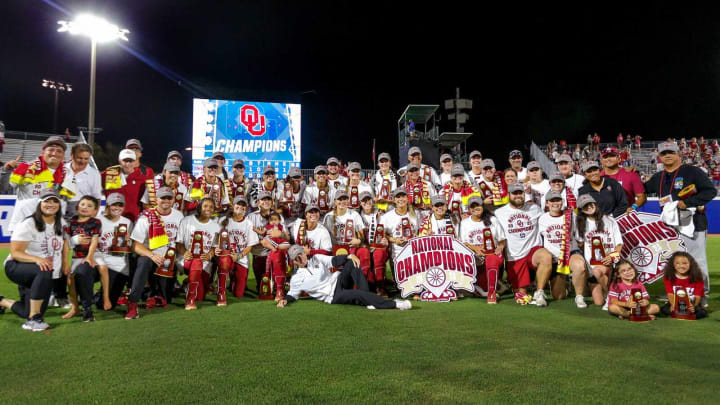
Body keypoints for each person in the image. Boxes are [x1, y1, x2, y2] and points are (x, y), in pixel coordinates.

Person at [644, 141, 715, 307]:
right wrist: (630, 176)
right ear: (659, 157)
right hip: (670, 224)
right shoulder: (658, 177)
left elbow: (710, 191)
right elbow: (641, 189)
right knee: (673, 260)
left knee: (696, 259)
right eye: (663, 153)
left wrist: (689, 202)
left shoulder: (692, 171)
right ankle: (676, 291)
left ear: (678, 154)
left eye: (671, 152)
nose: (667, 155)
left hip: (692, 221)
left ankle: (701, 294)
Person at [0, 189, 67, 331]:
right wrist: (37, 259)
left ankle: (2, 301)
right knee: (45, 269)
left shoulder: (60, 223)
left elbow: (65, 245)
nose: (51, 204)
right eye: (47, 201)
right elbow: (16, 252)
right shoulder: (28, 223)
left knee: (26, 310)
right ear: (39, 203)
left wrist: (65, 266)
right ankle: (33, 320)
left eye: (55, 201)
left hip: (41, 271)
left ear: (59, 205)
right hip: (17, 266)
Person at [277, 246, 412, 310]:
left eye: (302, 254)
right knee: (358, 294)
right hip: (333, 295)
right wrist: (285, 300)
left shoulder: (316, 258)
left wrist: (348, 256)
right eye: (297, 258)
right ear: (294, 261)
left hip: (338, 280)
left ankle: (369, 300)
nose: (302, 258)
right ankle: (395, 304)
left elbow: (334, 260)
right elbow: (292, 294)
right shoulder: (296, 279)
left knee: (351, 263)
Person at [126, 187, 184, 319]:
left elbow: (182, 241)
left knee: (166, 298)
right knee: (143, 261)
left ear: (173, 200)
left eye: (169, 198)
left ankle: (160, 292)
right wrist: (152, 255)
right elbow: (135, 245)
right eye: (163, 198)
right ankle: (133, 303)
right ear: (156, 199)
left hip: (170, 260)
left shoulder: (179, 215)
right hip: (152, 258)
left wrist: (180, 258)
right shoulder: (146, 217)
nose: (166, 200)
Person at [494, 182, 553, 306]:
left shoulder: (535, 209)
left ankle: (540, 292)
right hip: (515, 256)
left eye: (520, 193)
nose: (518, 196)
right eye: (514, 193)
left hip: (533, 251)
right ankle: (516, 285)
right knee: (521, 293)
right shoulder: (499, 213)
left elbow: (549, 221)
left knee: (546, 256)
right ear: (509, 195)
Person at [5, 136, 72, 231]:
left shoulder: (68, 174)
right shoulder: (26, 167)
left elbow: (69, 202)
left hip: (52, 228)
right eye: (51, 149)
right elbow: (4, 188)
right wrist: (6, 170)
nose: (54, 153)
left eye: (59, 151)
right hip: (24, 225)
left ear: (63, 155)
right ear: (43, 152)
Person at [538, 190, 589, 308]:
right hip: (555, 259)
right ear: (547, 203)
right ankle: (544, 290)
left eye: (558, 200)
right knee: (558, 296)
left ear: (562, 201)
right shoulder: (543, 218)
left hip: (570, 253)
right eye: (552, 200)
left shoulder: (571, 215)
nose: (555, 203)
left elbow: (579, 237)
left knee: (579, 266)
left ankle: (579, 297)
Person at [575, 194, 623, 310]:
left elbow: (619, 244)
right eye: (585, 206)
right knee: (598, 302)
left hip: (609, 262)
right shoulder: (581, 223)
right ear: (582, 210)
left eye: (590, 204)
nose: (589, 207)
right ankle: (608, 293)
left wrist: (612, 256)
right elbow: (580, 244)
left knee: (597, 271)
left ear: (595, 204)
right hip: (593, 264)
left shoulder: (609, 220)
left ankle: (610, 297)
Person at [61, 196, 102, 322]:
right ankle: (74, 307)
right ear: (77, 206)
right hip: (76, 257)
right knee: (70, 280)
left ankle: (87, 309)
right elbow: (66, 245)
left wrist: (89, 257)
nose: (85, 207)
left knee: (84, 274)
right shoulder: (70, 222)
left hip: (93, 256)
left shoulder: (95, 222)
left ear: (95, 211)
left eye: (89, 206)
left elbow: (94, 241)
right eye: (83, 204)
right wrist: (65, 263)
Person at [460, 196, 506, 304]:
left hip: (492, 252)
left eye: (478, 205)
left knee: (491, 260)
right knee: (481, 285)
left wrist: (500, 247)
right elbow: (464, 242)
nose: (476, 208)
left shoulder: (492, 220)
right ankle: (472, 287)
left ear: (483, 206)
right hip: (476, 256)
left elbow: (502, 239)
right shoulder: (465, 223)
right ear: (469, 209)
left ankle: (491, 293)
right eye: (473, 206)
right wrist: (476, 248)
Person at [178, 198, 221, 309]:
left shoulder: (216, 227)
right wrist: (184, 253)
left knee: (201, 296)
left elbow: (214, 247)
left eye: (211, 207)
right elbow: (179, 242)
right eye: (205, 206)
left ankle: (188, 283)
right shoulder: (187, 220)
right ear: (199, 207)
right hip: (187, 260)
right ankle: (190, 300)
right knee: (196, 262)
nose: (208, 209)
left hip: (205, 263)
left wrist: (209, 255)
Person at [94, 193, 134, 311]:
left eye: (120, 205)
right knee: (82, 271)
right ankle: (84, 294)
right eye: (114, 205)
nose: (117, 208)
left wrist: (129, 241)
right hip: (99, 263)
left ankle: (98, 296)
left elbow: (132, 247)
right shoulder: (98, 221)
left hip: (118, 266)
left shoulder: (128, 222)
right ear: (108, 205)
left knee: (104, 306)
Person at [219, 195, 260, 298]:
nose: (241, 207)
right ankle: (221, 293)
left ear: (246, 208)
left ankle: (233, 278)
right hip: (226, 255)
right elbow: (217, 241)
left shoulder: (248, 223)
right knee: (225, 262)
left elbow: (250, 246)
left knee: (238, 294)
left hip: (241, 258)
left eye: (243, 205)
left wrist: (239, 256)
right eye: (238, 204)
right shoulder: (223, 220)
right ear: (233, 206)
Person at [247, 191, 285, 295]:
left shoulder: (278, 216)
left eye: (268, 199)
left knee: (274, 286)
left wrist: (280, 235)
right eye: (263, 199)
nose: (266, 201)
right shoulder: (251, 217)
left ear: (272, 202)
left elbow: (287, 237)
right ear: (258, 202)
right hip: (258, 254)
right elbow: (247, 238)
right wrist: (260, 242)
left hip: (274, 253)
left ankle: (280, 286)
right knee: (263, 287)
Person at [101, 149, 148, 223]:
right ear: (119, 161)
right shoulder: (108, 174)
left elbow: (145, 203)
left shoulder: (142, 179)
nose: (128, 164)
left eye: (131, 161)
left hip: (133, 220)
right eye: (125, 161)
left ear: (135, 161)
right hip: (111, 219)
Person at [357, 193, 390, 296]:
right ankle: (367, 284)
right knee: (364, 253)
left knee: (379, 254)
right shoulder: (356, 215)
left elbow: (386, 232)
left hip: (377, 245)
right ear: (360, 203)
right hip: (363, 245)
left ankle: (380, 285)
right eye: (364, 200)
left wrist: (386, 239)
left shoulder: (381, 214)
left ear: (373, 201)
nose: (367, 202)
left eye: (369, 200)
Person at [660, 252, 708, 319]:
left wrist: (693, 306)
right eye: (677, 263)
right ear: (672, 264)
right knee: (664, 309)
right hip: (675, 302)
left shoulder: (697, 277)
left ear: (691, 264)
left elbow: (698, 296)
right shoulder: (669, 277)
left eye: (685, 263)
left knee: (702, 312)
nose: (681, 266)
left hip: (692, 302)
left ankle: (689, 314)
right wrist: (673, 305)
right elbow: (670, 294)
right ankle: (681, 313)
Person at [599, 146, 646, 212]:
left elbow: (642, 197)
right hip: (605, 218)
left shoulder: (631, 174)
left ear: (618, 158)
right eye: (605, 157)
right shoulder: (597, 177)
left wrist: (633, 207)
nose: (608, 159)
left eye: (612, 156)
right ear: (601, 161)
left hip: (625, 217)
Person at [63, 143, 102, 219]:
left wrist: (92, 218)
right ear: (72, 155)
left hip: (82, 214)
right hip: (60, 211)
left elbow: (97, 197)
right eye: (80, 158)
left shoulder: (94, 174)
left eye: (86, 158)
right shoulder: (62, 169)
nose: (83, 161)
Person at [380, 188, 419, 262]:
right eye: (398, 197)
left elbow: (421, 230)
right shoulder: (387, 217)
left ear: (407, 198)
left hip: (415, 251)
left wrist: (417, 236)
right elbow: (382, 235)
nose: (401, 199)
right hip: (397, 253)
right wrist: (394, 240)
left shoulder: (416, 214)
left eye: (403, 196)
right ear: (394, 200)